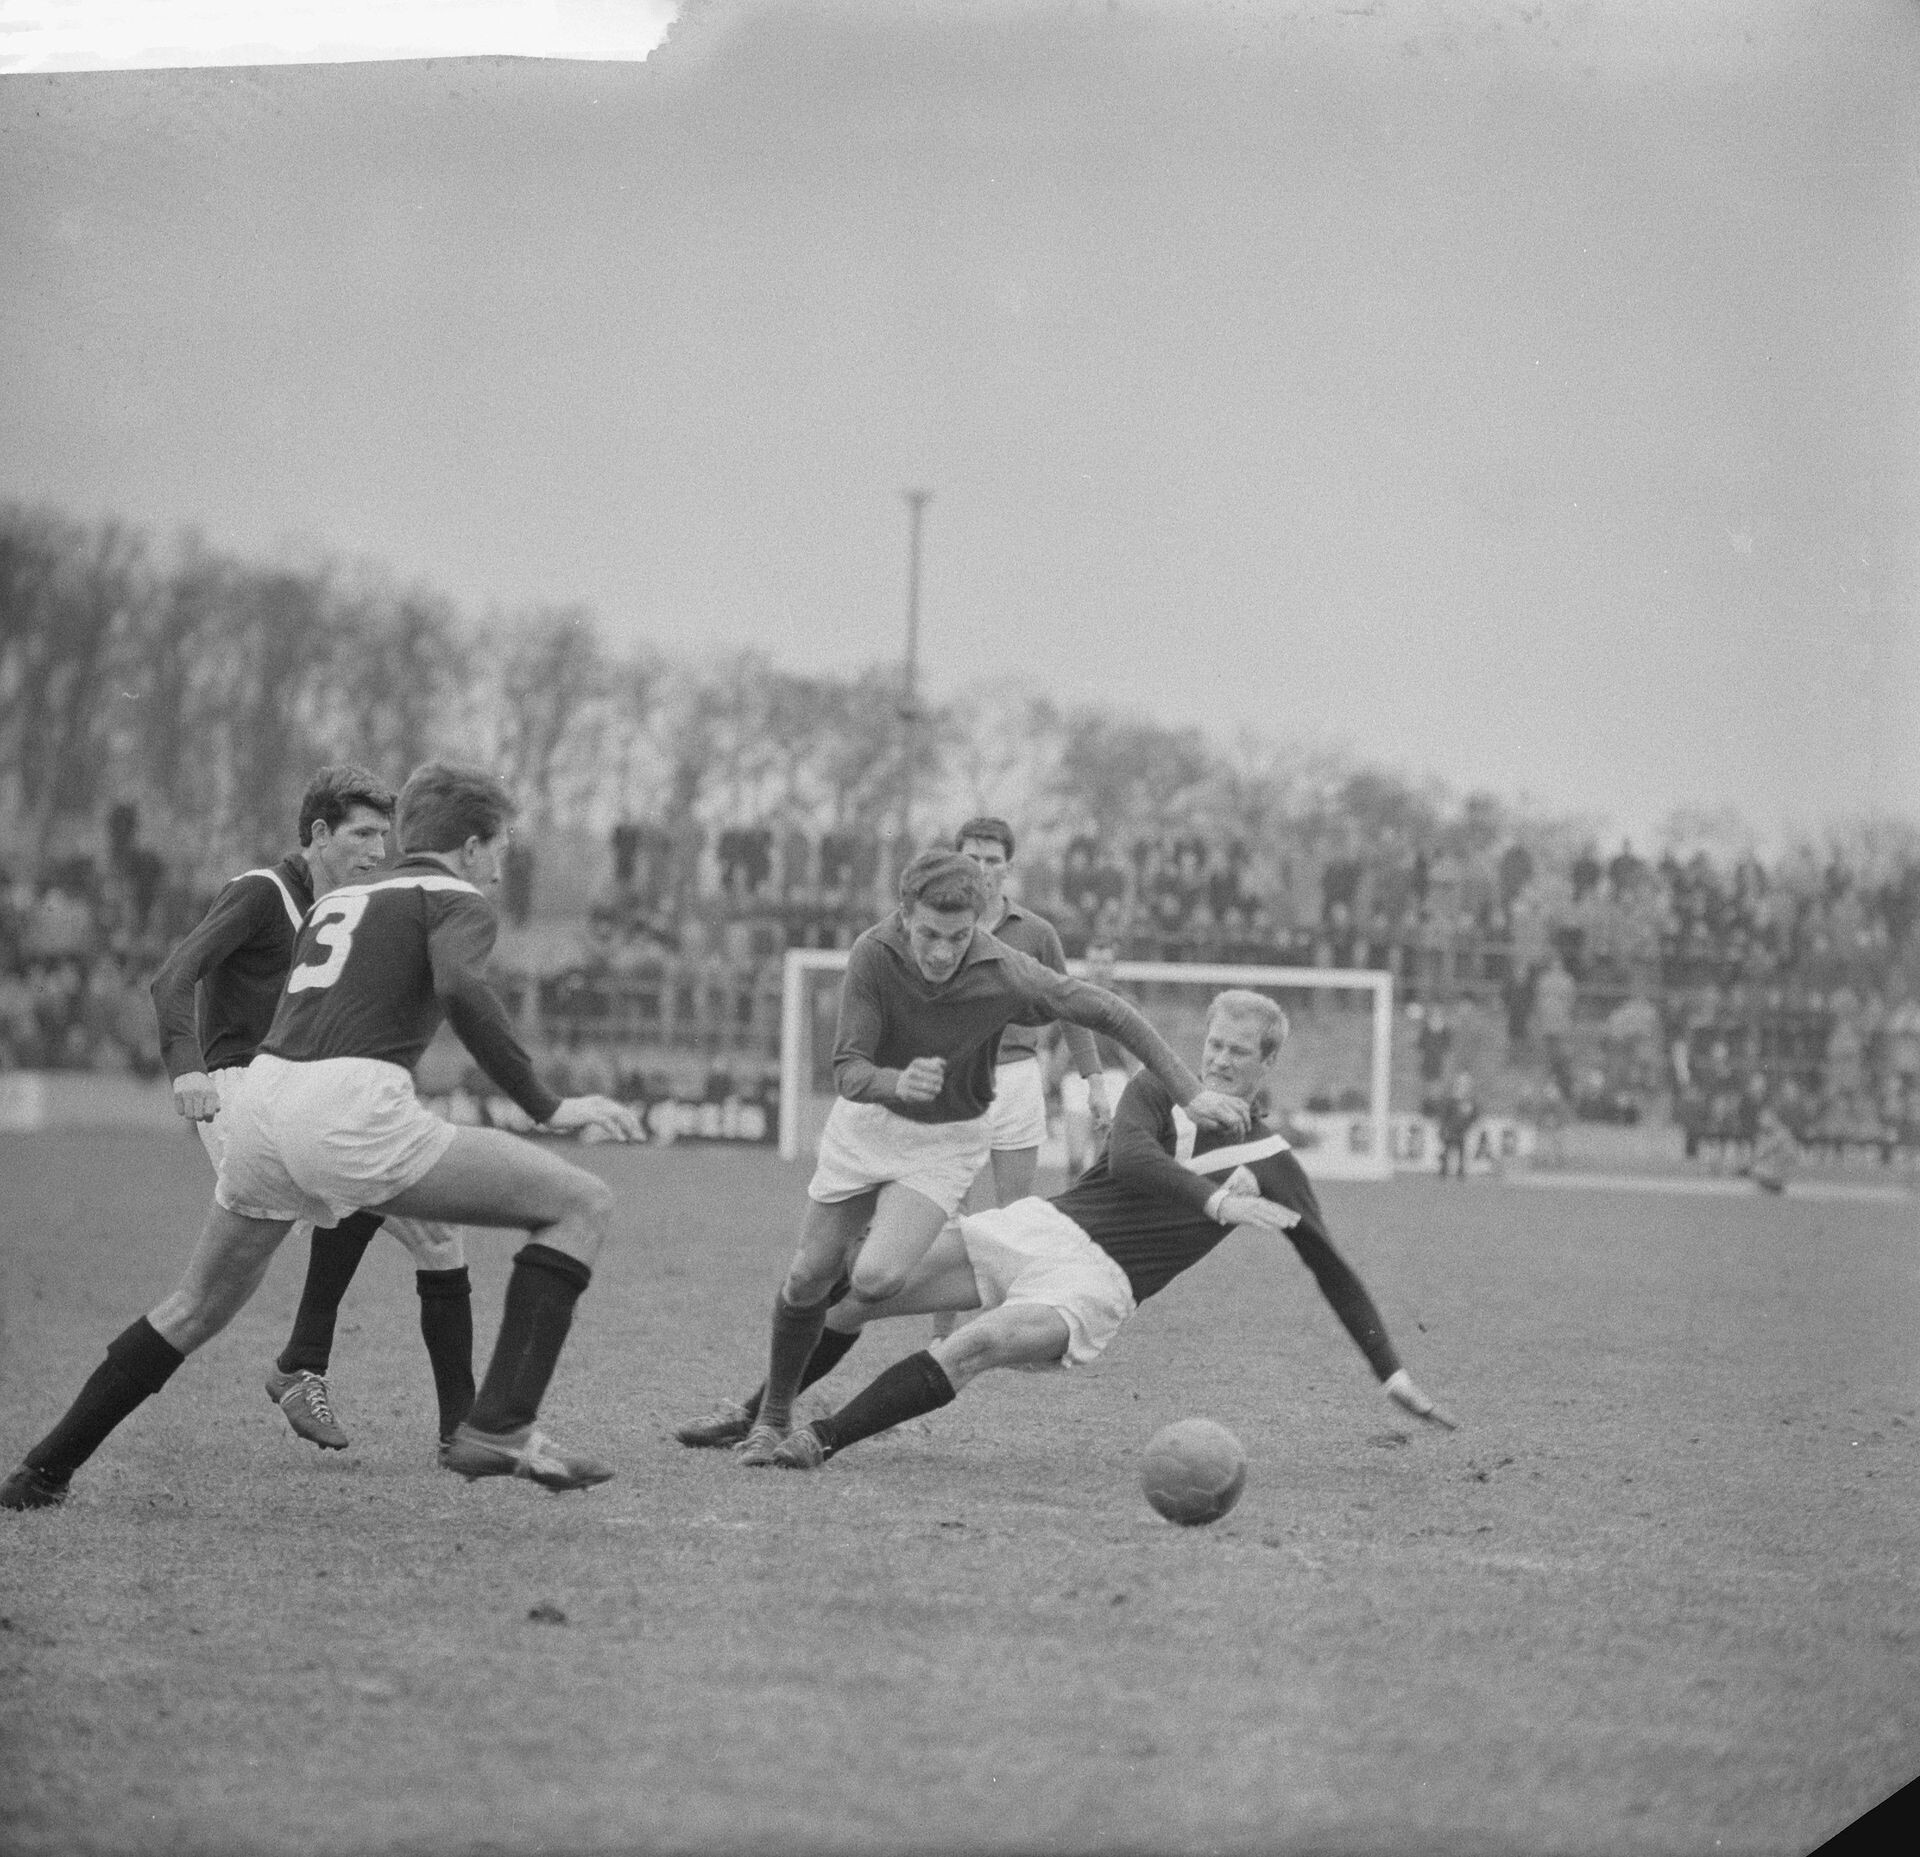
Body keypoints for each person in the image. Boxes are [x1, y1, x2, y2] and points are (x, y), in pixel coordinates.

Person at [1, 762, 642, 1512]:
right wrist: (546, 1103)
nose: (500, 867)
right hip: (347, 1105)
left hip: (266, 1102)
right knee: (582, 1202)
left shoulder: (346, 898)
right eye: (499, 848)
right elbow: (463, 989)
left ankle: (42, 1469)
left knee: (195, 1306)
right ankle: (497, 1426)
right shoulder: (456, 897)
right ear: (470, 847)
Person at [674, 848, 1253, 1466]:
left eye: (958, 937)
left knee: (875, 1278)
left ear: (977, 923)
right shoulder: (873, 954)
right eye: (929, 934)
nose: (943, 952)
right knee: (807, 1278)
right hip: (867, 1124)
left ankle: (783, 1388)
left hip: (947, 1138)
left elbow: (1107, 1011)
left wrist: (1191, 1093)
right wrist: (897, 1082)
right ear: (903, 915)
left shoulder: (1006, 968)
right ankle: (765, 1417)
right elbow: (847, 1068)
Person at [749, 989, 1455, 1472]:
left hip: (1098, 1283)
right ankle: (758, 1414)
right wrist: (1213, 1204)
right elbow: (1131, 1158)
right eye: (1214, 1043)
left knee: (976, 1341)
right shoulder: (1158, 1087)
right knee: (859, 1292)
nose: (1218, 1059)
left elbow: (1330, 1266)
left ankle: (820, 1439)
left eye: (1240, 1051)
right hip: (1044, 1225)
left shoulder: (1273, 1164)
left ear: (1268, 1064)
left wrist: (1389, 1370)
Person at [146, 764, 475, 1456]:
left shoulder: (342, 912)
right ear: (318, 833)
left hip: (303, 1095)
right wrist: (187, 1071)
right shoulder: (262, 893)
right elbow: (175, 974)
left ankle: (460, 1429)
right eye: (361, 833)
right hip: (243, 1095)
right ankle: (304, 1359)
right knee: (205, 1302)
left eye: (384, 835)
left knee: (439, 1237)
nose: (376, 851)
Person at [930, 818, 1111, 1341]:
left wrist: (1095, 1081)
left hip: (1016, 1078)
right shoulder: (937, 923)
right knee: (949, 1214)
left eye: (993, 860)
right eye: (973, 858)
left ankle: (999, 1337)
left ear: (1009, 867)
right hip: (956, 1082)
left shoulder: (1036, 933)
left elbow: (1073, 1010)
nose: (983, 869)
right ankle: (940, 1340)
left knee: (1012, 1219)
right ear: (956, 860)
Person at [1053, 936, 1137, 1177]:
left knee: (1104, 1160)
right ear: (1086, 964)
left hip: (1114, 1078)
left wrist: (1134, 1086)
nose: (1100, 968)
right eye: (1095, 962)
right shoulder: (1069, 997)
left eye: (1105, 962)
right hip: (1077, 1078)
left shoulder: (1127, 1002)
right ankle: (1068, 1213)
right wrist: (1052, 1084)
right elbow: (1053, 1047)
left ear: (1113, 966)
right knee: (1075, 1160)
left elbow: (1135, 1052)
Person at [1436, 1071, 1480, 1179]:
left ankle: (1460, 1172)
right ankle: (1444, 1171)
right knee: (1447, 1150)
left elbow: (1474, 1115)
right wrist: (1444, 1126)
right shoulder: (1451, 1100)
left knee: (1462, 1151)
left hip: (1462, 1130)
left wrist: (1469, 1125)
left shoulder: (1469, 1101)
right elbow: (1444, 1114)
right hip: (1451, 1129)